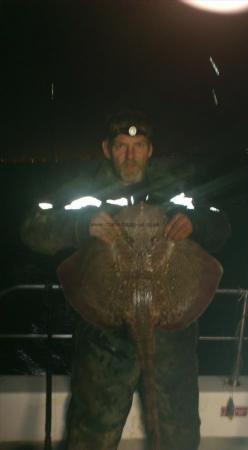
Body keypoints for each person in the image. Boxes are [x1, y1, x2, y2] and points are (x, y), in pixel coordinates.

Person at [21, 110, 231, 450]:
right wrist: (79, 225)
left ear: (150, 149)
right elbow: (32, 229)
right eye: (121, 146)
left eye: (138, 145)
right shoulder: (83, 189)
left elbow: (221, 225)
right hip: (104, 335)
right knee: (92, 431)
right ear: (107, 148)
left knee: (177, 430)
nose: (130, 155)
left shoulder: (177, 188)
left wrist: (196, 223)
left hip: (171, 332)